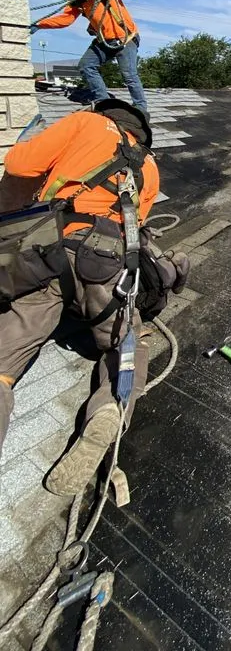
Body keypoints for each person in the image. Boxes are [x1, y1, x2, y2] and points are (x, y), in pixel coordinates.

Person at [0, 100, 159, 495]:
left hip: (49, 254)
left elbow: (19, 164)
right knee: (128, 343)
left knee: (6, 355)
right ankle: (109, 407)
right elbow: (137, 226)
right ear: (140, 134)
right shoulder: (150, 168)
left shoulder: (86, 123)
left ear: (107, 114)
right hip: (107, 269)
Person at [32, 0, 148, 116]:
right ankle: (103, 102)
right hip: (104, 40)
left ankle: (141, 109)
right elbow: (66, 19)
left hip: (125, 37)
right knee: (86, 65)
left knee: (129, 75)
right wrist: (39, 24)